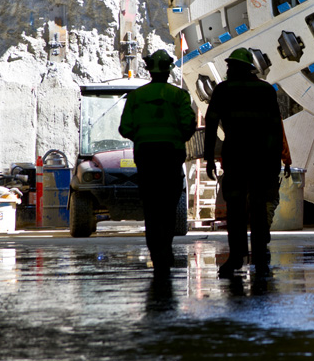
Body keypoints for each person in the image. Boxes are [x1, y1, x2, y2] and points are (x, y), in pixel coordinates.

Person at [203, 47, 288, 277]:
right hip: (260, 159)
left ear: (238, 67)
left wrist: (209, 157)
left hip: (236, 158)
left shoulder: (223, 90)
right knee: (259, 209)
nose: (228, 70)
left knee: (236, 210)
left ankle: (236, 258)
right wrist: (275, 161)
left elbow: (210, 125)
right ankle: (260, 261)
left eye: (231, 66)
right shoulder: (265, 90)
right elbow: (275, 128)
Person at [119, 49, 196, 278]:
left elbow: (125, 128)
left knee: (152, 209)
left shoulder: (136, 96)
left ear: (150, 68)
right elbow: (188, 125)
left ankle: (156, 253)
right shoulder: (180, 96)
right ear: (169, 69)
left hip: (147, 157)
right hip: (171, 156)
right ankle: (165, 249)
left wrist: (144, 137)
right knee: (168, 207)